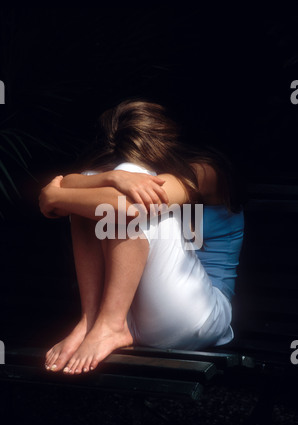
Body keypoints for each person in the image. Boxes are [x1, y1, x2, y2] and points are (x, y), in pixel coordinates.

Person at [39, 99, 244, 375]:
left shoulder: (205, 172)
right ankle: (91, 321)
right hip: (136, 313)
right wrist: (111, 178)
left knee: (131, 194)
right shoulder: (130, 174)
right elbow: (78, 184)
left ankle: (111, 325)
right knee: (95, 185)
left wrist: (55, 195)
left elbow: (128, 207)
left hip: (200, 315)